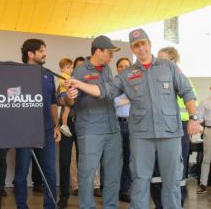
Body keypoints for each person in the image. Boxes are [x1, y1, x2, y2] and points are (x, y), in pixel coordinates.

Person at [66, 28, 201, 209]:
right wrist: (79, 83)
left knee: (172, 180)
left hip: (169, 133)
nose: (141, 48)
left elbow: (187, 91)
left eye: (143, 43)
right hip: (141, 135)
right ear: (132, 48)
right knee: (140, 180)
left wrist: (193, 118)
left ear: (149, 44)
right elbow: (104, 91)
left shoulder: (168, 66)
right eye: (136, 45)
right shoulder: (127, 74)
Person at [66, 35, 123, 208]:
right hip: (90, 130)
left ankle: (111, 206)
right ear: (98, 51)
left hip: (112, 129)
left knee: (113, 174)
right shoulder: (80, 71)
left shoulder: (107, 69)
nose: (112, 56)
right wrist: (69, 97)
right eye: (109, 52)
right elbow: (71, 101)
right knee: (87, 174)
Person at [14, 38, 61, 209]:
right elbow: (11, 98)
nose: (45, 53)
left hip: (47, 130)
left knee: (49, 171)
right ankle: (21, 205)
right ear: (30, 54)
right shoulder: (16, 73)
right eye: (41, 50)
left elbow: (53, 103)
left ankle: (50, 205)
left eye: (45, 49)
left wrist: (56, 125)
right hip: (24, 131)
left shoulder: (48, 74)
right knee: (21, 172)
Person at [151, 46, 197, 207]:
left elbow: (191, 102)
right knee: (157, 169)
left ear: (172, 61)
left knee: (178, 168)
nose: (157, 63)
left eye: (162, 59)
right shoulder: (156, 78)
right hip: (159, 127)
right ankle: (160, 204)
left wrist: (192, 121)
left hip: (180, 128)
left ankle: (177, 202)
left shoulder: (181, 78)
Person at [57, 56, 84, 209]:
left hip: (82, 126)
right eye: (75, 66)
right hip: (66, 126)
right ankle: (63, 197)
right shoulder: (65, 81)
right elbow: (60, 101)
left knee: (84, 162)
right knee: (64, 161)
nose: (76, 69)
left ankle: (85, 195)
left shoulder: (85, 84)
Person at [114, 57, 132, 203]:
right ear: (117, 68)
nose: (124, 68)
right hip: (116, 124)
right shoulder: (113, 83)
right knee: (113, 159)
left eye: (127, 65)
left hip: (132, 125)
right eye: (121, 66)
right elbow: (110, 103)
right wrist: (129, 99)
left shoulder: (135, 82)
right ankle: (111, 189)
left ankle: (124, 190)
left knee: (128, 159)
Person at [196, 91, 211, 193]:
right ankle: (203, 185)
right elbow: (199, 118)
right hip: (209, 130)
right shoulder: (205, 102)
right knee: (207, 158)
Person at [58, 58, 74, 137]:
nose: (70, 70)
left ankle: (65, 124)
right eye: (68, 68)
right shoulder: (63, 75)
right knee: (67, 109)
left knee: (67, 109)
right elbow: (62, 82)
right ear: (62, 69)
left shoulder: (68, 76)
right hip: (64, 93)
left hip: (65, 93)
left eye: (71, 68)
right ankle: (64, 125)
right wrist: (69, 83)